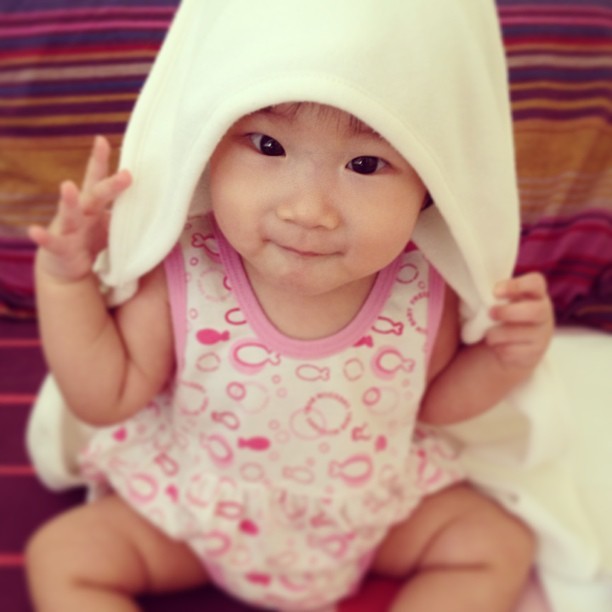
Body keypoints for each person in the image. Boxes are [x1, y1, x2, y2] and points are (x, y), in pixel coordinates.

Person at [25, 1, 554, 611]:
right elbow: (105, 395)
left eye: (365, 164)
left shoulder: (421, 287)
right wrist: (66, 283)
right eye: (268, 144)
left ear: (432, 187)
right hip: (197, 513)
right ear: (209, 145)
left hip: (365, 512)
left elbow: (432, 403)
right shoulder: (188, 270)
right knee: (65, 556)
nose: (308, 210)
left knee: (495, 545)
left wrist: (505, 359)